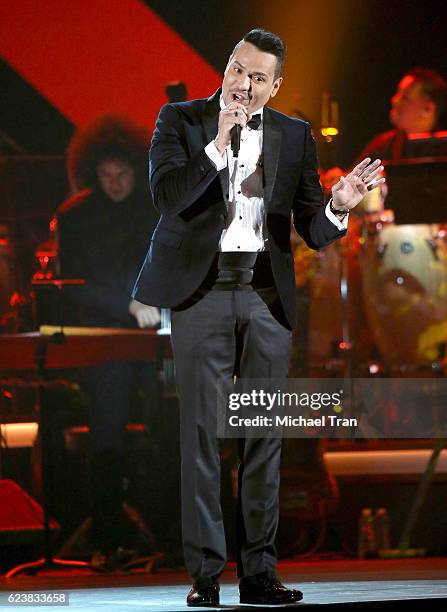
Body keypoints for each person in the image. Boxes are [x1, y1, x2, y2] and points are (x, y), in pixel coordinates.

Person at [132, 29, 383, 606]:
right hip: (200, 292)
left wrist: (338, 209)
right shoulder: (182, 120)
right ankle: (203, 577)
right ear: (226, 67)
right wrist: (218, 145)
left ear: (276, 88)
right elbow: (167, 196)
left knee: (264, 436)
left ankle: (259, 575)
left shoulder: (295, 136)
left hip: (266, 296)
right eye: (236, 69)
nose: (243, 85)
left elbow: (311, 230)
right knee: (201, 433)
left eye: (257, 78)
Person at [55, 115, 160, 568]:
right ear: (93, 173)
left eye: (123, 174)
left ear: (137, 171)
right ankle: (108, 536)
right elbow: (73, 284)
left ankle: (168, 535)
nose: (115, 183)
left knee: (167, 429)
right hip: (103, 342)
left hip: (157, 340)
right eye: (106, 176)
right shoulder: (75, 216)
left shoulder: (154, 208)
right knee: (108, 434)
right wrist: (128, 306)